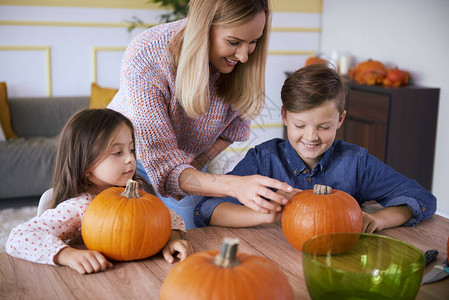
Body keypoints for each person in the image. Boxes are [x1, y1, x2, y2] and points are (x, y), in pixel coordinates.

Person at [108, 0, 293, 229]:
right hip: (128, 163)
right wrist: (234, 185)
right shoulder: (147, 55)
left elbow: (229, 132)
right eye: (234, 42)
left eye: (253, 42)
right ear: (204, 28)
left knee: (195, 234)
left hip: (189, 164)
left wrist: (196, 165)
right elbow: (163, 164)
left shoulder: (242, 62)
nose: (244, 56)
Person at [193, 64, 437, 232]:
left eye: (323, 126)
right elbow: (208, 209)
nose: (311, 137)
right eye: (300, 125)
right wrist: (270, 216)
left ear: (340, 120)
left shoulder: (356, 163)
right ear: (285, 116)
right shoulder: (264, 159)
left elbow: (421, 198)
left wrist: (377, 219)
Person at [5, 109, 194, 275]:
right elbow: (19, 238)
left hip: (138, 274)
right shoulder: (81, 206)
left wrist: (172, 239)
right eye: (117, 153)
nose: (130, 159)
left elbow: (168, 216)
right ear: (86, 166)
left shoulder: (135, 192)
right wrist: (67, 255)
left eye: (131, 149)